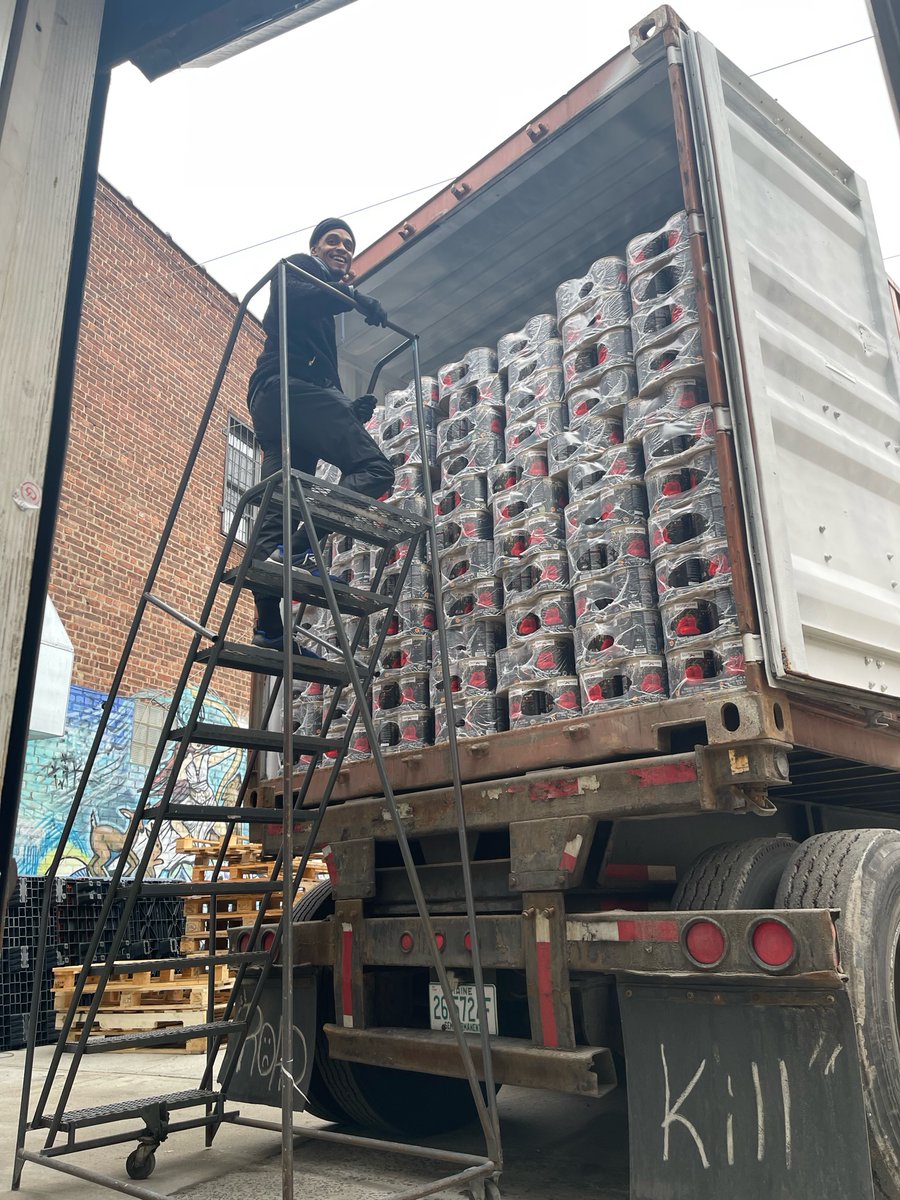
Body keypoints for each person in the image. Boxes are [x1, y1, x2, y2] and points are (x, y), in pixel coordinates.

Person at [245, 218, 395, 649]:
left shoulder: (321, 306)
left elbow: (318, 369)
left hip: (283, 402)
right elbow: (306, 299)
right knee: (375, 468)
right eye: (333, 241)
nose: (342, 247)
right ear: (314, 249)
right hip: (288, 391)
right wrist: (357, 297)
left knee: (279, 505)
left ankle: (269, 629)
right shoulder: (295, 269)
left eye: (348, 244)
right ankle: (301, 548)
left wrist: (349, 406)